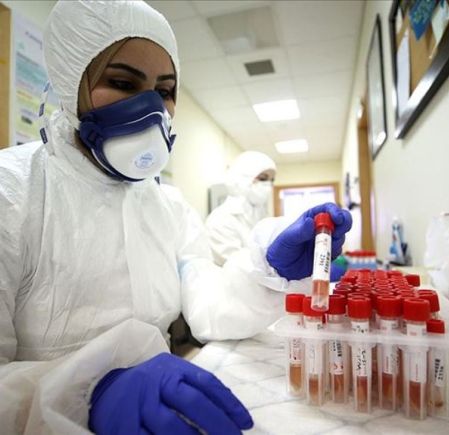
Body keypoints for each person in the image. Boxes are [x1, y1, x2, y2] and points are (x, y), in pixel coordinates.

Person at [0, 1, 352, 434]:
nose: (151, 109)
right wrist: (83, 392)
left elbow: (208, 307)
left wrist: (268, 271)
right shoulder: (12, 192)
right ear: (71, 81)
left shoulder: (166, 204)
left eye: (164, 92)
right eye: (122, 83)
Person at [206, 150, 276, 266]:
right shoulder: (220, 220)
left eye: (272, 180)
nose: (268, 184)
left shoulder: (262, 215)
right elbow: (236, 266)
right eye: (263, 178)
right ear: (242, 178)